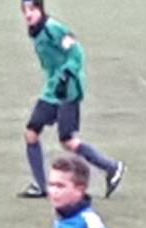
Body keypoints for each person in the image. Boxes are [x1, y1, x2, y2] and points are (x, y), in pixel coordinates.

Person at [18, 0, 124, 200]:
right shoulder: (35, 31)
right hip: (52, 90)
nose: (28, 14)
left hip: (68, 89)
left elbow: (76, 53)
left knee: (69, 140)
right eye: (25, 11)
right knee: (31, 133)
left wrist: (66, 75)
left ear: (41, 9)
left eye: (32, 9)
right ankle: (41, 186)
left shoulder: (53, 29)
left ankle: (112, 167)